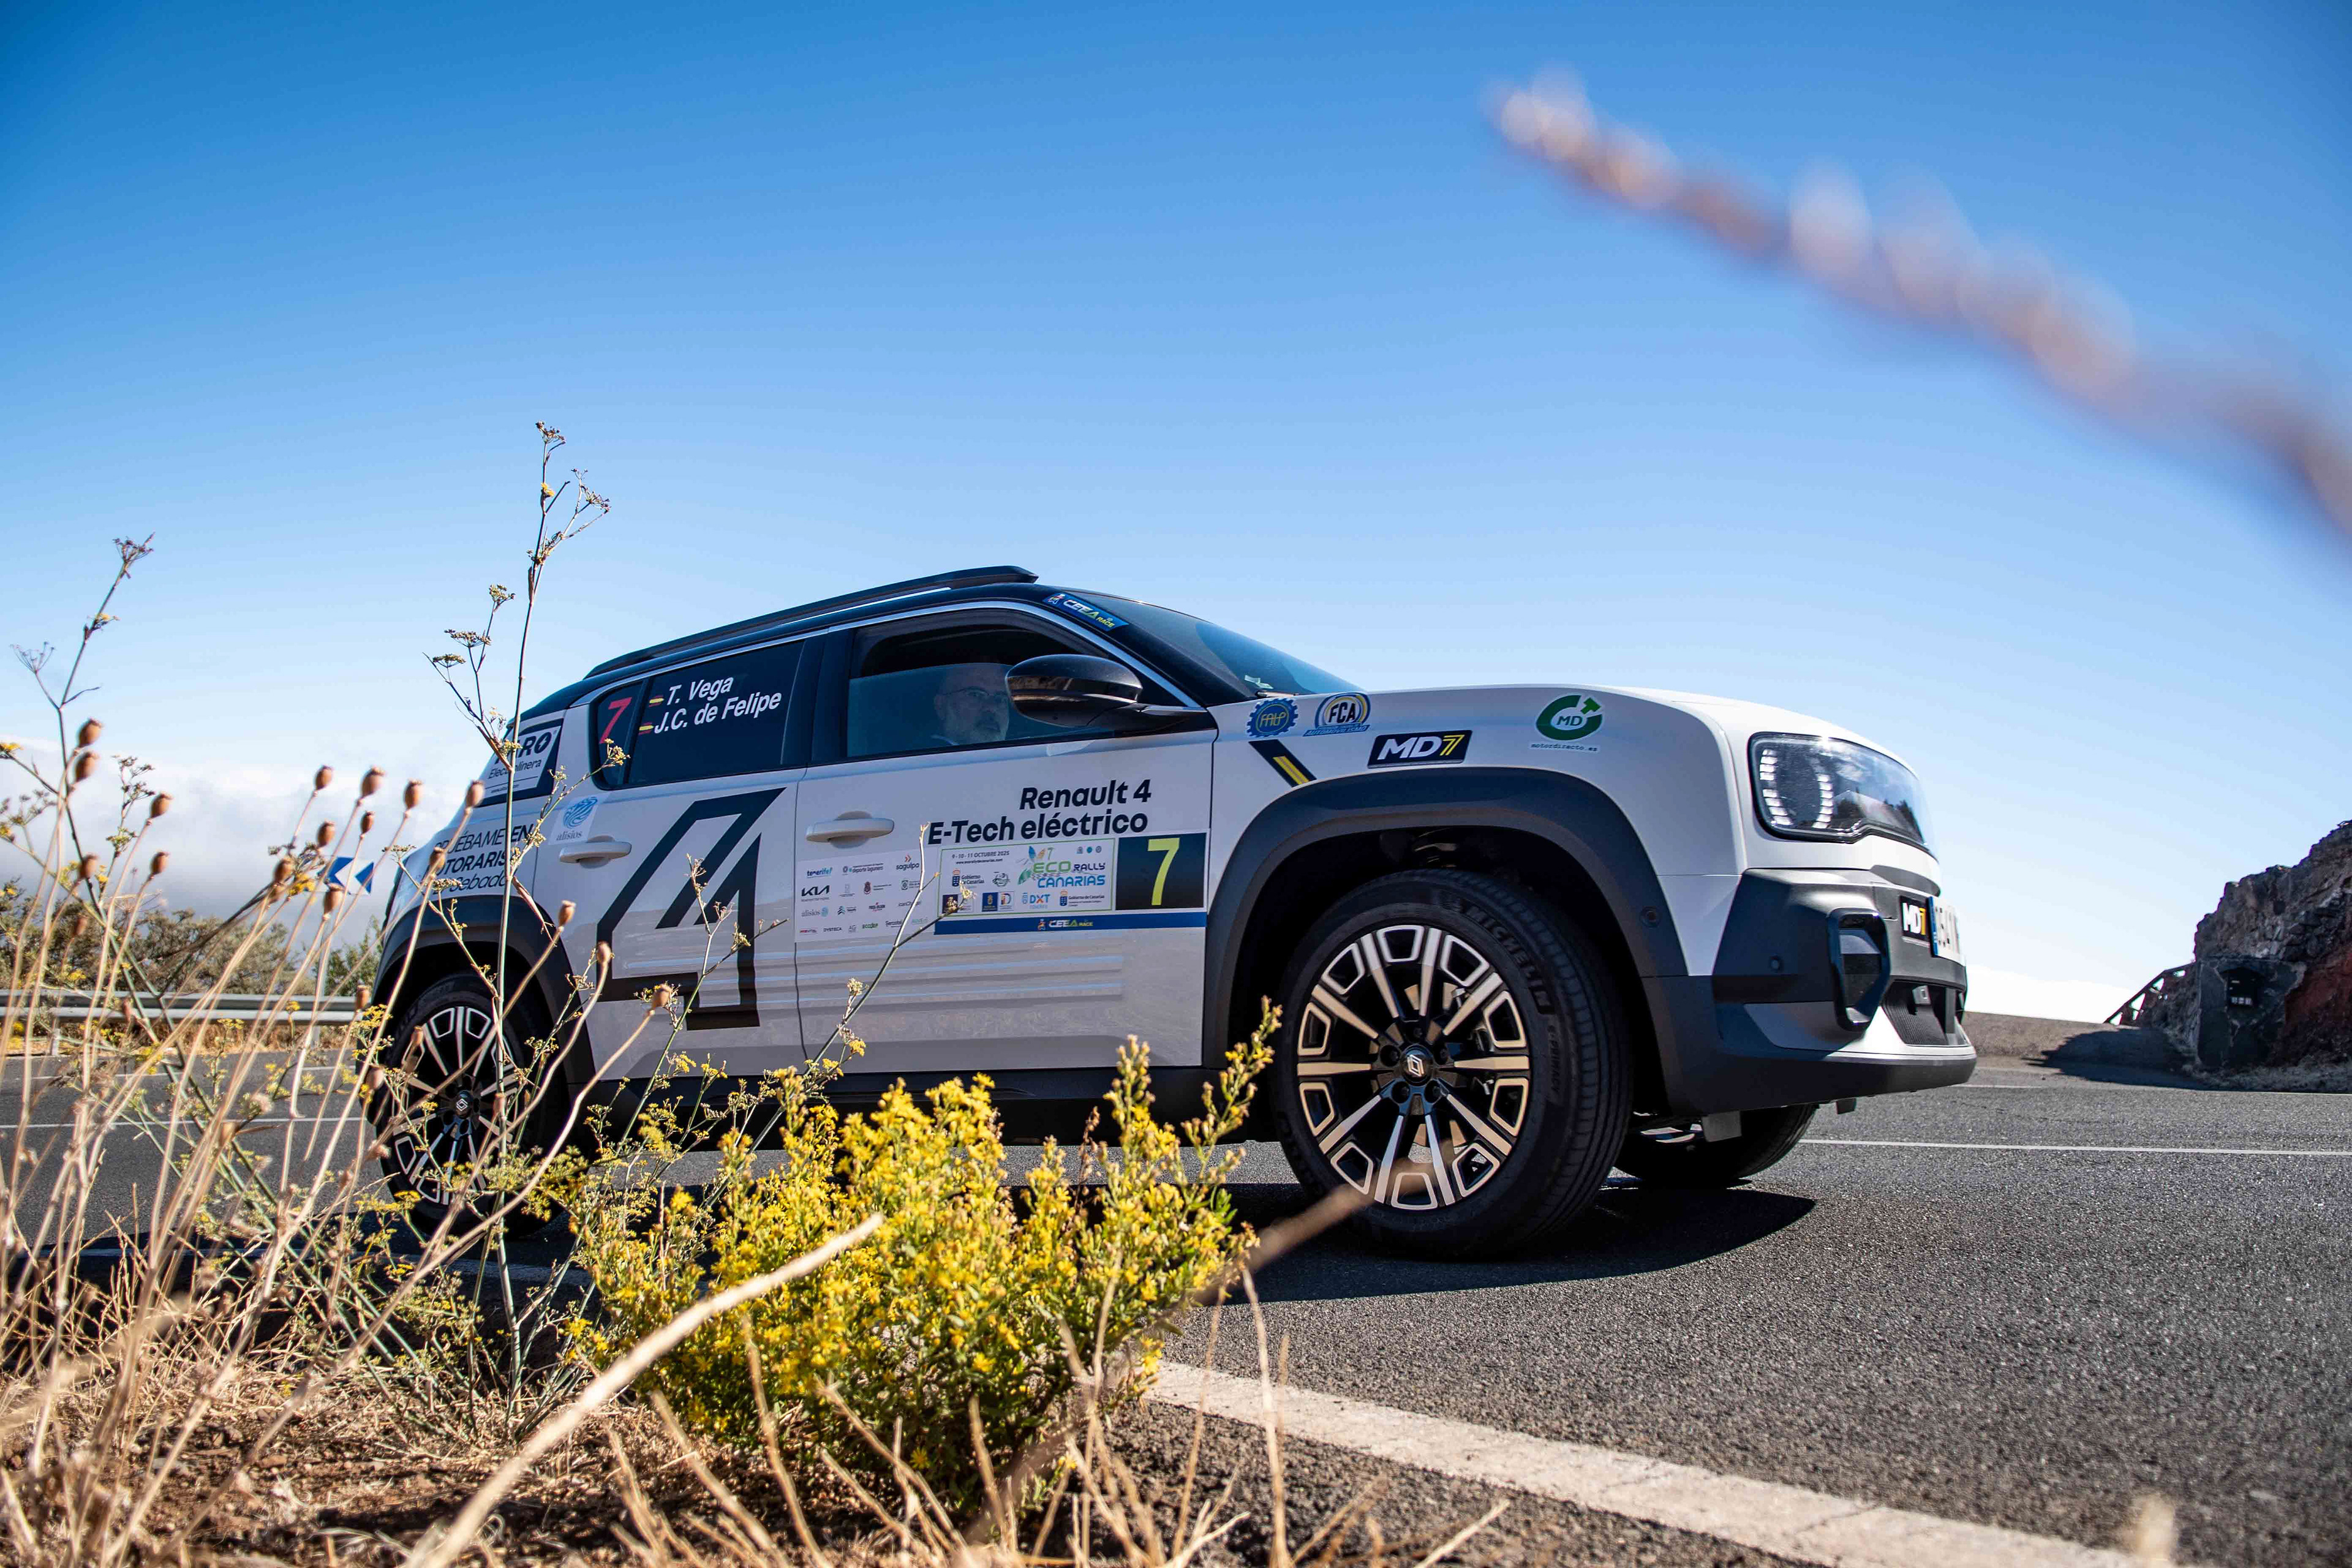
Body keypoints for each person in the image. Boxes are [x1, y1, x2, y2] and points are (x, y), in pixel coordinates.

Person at [929, 662, 1012, 747]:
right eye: (975, 695)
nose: (992, 707)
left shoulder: (1018, 752)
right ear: (941, 706)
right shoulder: (926, 752)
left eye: (1000, 699)